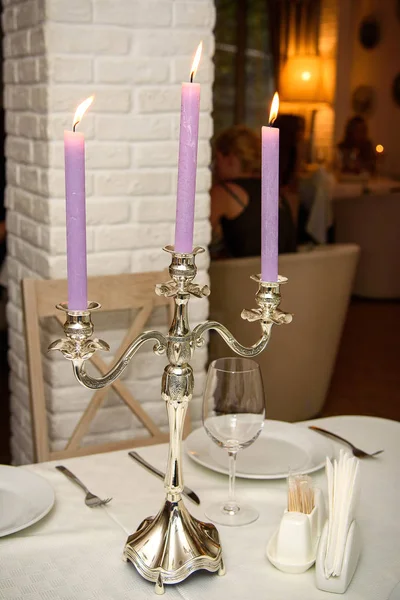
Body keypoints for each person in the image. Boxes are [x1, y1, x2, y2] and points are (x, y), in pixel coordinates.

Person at [210, 124, 297, 259]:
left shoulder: (224, 193)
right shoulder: (276, 192)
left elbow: (195, 238)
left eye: (217, 159)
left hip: (240, 277)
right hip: (286, 276)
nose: (215, 167)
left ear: (230, 159)